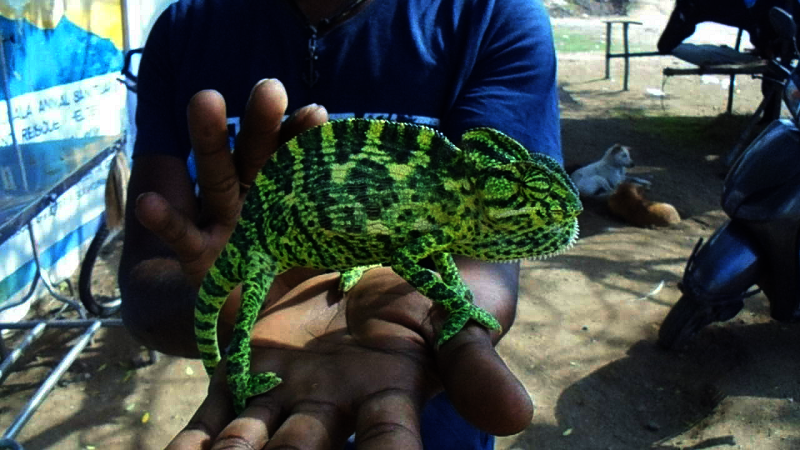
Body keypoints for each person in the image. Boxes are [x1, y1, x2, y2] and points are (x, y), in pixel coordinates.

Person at [118, 0, 561, 448]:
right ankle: (238, 375)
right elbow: (141, 291)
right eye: (523, 193)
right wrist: (230, 305)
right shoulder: (183, 30)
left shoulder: (492, 15)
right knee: (247, 299)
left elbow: (470, 265)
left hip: (434, 422)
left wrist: (448, 304)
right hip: (271, 248)